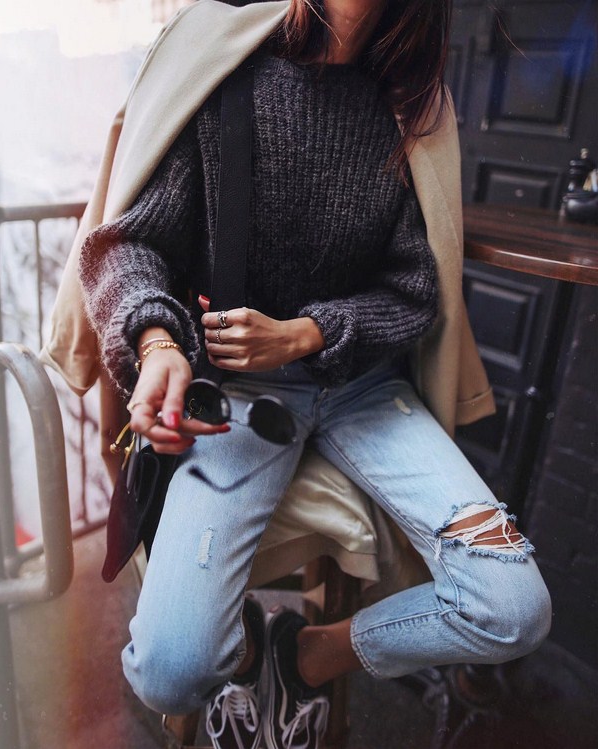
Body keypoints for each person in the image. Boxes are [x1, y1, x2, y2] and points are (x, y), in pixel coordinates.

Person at [76, 0, 552, 747]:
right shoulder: (224, 64)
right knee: (169, 672)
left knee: (514, 606)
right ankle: (238, 651)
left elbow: (414, 291)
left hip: (365, 388)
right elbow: (131, 244)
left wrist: (308, 332)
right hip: (237, 395)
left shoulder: (412, 105)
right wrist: (159, 341)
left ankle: (302, 655)